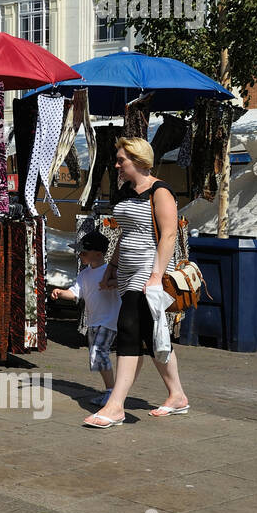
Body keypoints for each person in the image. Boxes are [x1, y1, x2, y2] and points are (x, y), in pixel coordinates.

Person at [86, 137, 190, 428]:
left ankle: (116, 405)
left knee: (128, 326)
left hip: (150, 267)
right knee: (150, 332)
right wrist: (113, 267)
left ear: (140, 161)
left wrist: (156, 275)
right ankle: (177, 395)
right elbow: (125, 233)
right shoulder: (127, 191)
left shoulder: (160, 190)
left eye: (122, 160)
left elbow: (168, 234)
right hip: (128, 269)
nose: (117, 165)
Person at [51, 230, 120, 406]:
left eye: (83, 252)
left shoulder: (109, 272)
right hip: (94, 321)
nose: (79, 255)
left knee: (99, 353)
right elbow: (75, 294)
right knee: (96, 356)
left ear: (98, 254)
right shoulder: (84, 274)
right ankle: (111, 391)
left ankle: (112, 392)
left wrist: (112, 284)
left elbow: (122, 284)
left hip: (109, 320)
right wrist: (60, 292)